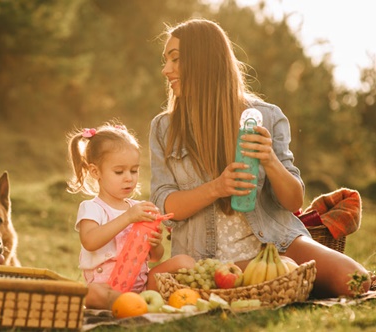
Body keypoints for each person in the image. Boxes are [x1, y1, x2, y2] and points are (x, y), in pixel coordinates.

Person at [149, 18, 372, 298]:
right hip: (204, 258)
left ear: (202, 61)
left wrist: (269, 160)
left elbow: (293, 201)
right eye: (166, 60)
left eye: (175, 59)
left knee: (354, 280)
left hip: (275, 245)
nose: (165, 70)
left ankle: (273, 282)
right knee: (280, 276)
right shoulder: (164, 128)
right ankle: (281, 282)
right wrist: (217, 188)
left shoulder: (267, 116)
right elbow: (164, 206)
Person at [67, 121, 194, 310]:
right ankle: (127, 304)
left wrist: (155, 243)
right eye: (119, 172)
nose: (129, 177)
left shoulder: (137, 208)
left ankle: (141, 302)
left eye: (134, 170)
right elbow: (89, 241)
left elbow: (154, 258)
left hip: (142, 285)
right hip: (107, 287)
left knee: (184, 261)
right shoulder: (92, 208)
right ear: (95, 171)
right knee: (91, 293)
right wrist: (127, 218)